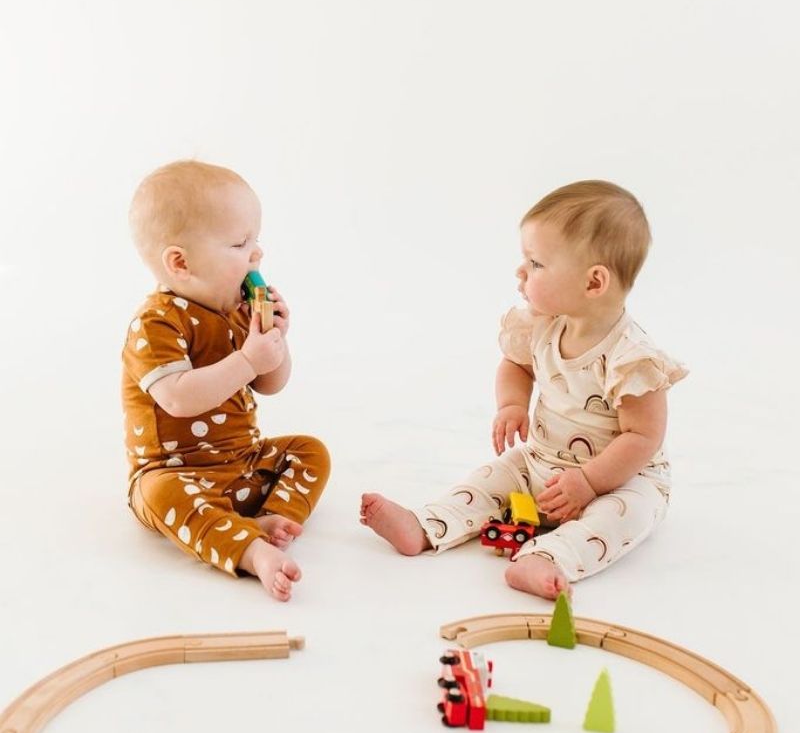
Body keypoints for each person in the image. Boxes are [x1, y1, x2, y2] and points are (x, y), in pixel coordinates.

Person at [361, 180, 687, 600]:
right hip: (541, 461)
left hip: (620, 479)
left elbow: (643, 436)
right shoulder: (541, 325)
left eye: (535, 263)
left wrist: (589, 482)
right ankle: (426, 524)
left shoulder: (631, 359)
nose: (520, 271)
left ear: (593, 283)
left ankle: (548, 558)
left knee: (627, 514)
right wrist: (512, 404)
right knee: (493, 477)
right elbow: (516, 365)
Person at [122, 160, 330, 601]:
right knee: (156, 494)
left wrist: (274, 341)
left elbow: (270, 385)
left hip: (242, 463)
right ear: (181, 263)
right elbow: (177, 398)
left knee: (310, 451)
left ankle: (272, 518)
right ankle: (250, 550)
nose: (257, 255)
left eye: (256, 241)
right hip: (177, 472)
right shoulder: (157, 323)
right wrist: (247, 359)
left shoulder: (236, 312)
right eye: (240, 244)